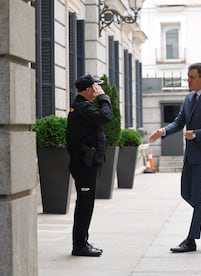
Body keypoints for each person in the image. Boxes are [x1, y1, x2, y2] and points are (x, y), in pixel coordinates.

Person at [149, 63, 201, 253]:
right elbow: (179, 122)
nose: (189, 80)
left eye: (192, 77)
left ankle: (191, 240)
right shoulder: (188, 98)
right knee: (186, 194)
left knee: (198, 197)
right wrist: (163, 131)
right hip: (191, 155)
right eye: (188, 76)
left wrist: (197, 134)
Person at [66, 74, 113, 257]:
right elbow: (106, 117)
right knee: (84, 204)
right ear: (87, 90)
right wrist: (104, 97)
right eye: (96, 87)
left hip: (87, 163)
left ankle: (82, 241)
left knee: (86, 203)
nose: (98, 90)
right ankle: (79, 246)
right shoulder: (82, 108)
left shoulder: (82, 106)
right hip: (84, 165)